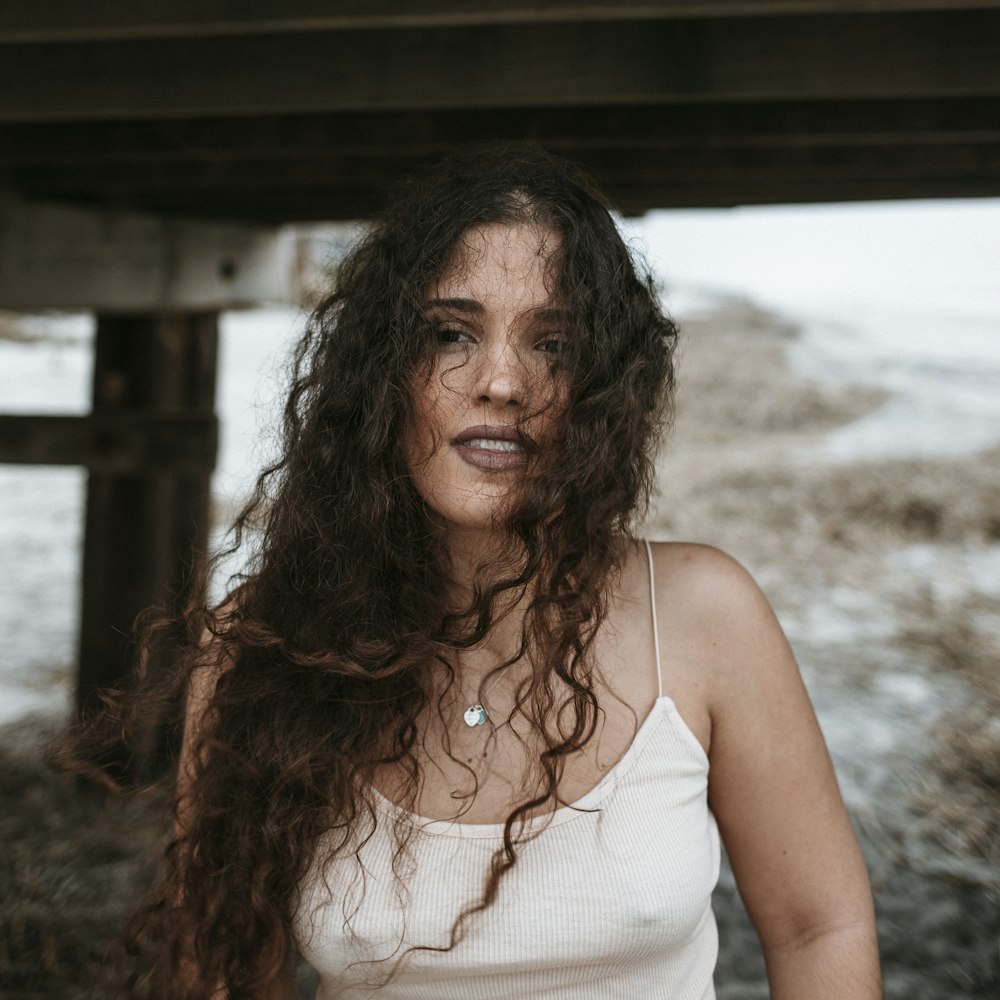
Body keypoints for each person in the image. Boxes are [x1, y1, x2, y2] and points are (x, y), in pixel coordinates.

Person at [92, 148, 881, 998]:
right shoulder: (267, 646)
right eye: (450, 334)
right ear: (382, 373)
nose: (503, 381)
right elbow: (218, 969)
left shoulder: (701, 617)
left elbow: (817, 928)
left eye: (555, 343)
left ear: (602, 385)